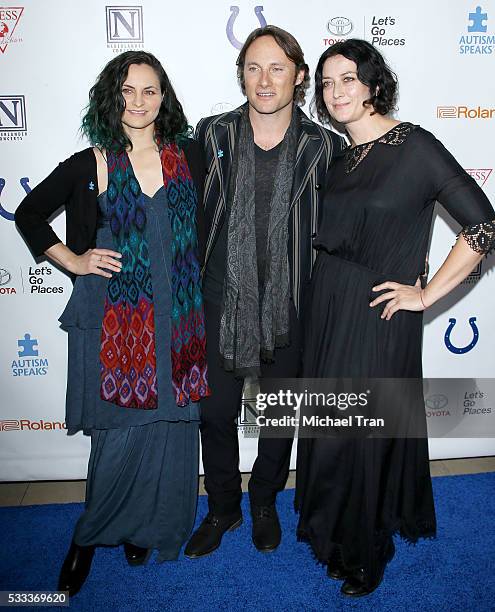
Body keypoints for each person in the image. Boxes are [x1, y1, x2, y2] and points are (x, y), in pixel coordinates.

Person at [295, 39, 495, 597]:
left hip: (380, 309)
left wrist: (426, 295)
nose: (336, 92)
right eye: (327, 83)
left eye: (349, 79)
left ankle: (366, 549)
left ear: (374, 85)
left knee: (362, 431)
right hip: (329, 303)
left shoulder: (416, 147)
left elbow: (484, 227)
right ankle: (335, 532)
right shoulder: (338, 154)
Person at [15, 51, 209, 596]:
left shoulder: (185, 157)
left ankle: (144, 525)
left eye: (150, 91)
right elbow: (30, 213)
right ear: (112, 97)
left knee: (170, 430)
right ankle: (88, 536)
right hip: (117, 322)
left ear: (164, 98)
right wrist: (74, 259)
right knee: (120, 433)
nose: (140, 101)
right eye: (128, 91)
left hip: (178, 316)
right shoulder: (92, 161)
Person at [184, 26, 344, 559]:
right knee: (215, 412)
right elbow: (176, 199)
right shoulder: (214, 135)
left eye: (277, 67)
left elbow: (353, 220)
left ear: (299, 77)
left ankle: (265, 501)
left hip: (292, 301)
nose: (264, 79)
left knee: (280, 416)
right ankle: (223, 505)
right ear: (241, 75)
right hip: (219, 297)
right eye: (253, 67)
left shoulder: (325, 146)